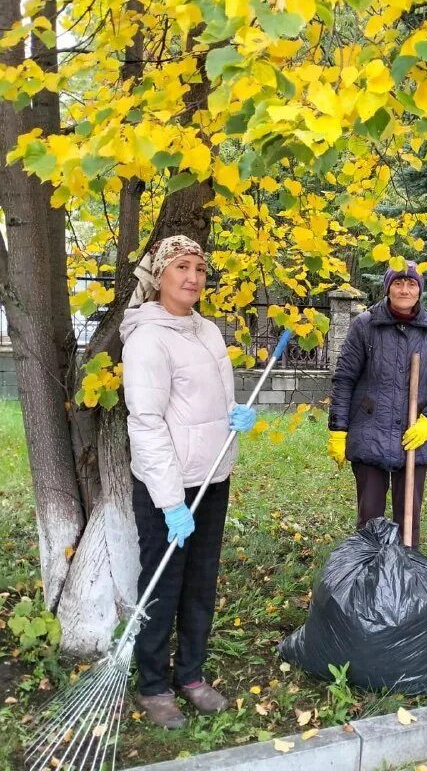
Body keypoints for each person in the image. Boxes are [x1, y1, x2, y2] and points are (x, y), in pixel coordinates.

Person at [120, 235, 257, 729]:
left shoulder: (208, 331)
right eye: (182, 266)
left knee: (201, 581)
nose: (193, 277)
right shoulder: (147, 339)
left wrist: (234, 415)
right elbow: (146, 423)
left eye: (199, 267)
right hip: (168, 488)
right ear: (160, 275)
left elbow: (213, 398)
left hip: (212, 476)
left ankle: (191, 675)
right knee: (164, 584)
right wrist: (169, 500)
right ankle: (154, 685)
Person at [327, 260, 427, 548]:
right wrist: (338, 429)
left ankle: (405, 569)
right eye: (398, 282)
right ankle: (368, 568)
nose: (404, 289)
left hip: (413, 437)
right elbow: (344, 379)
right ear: (388, 288)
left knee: (408, 521)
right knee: (369, 520)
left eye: (411, 284)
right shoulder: (365, 325)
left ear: (419, 290)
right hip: (369, 434)